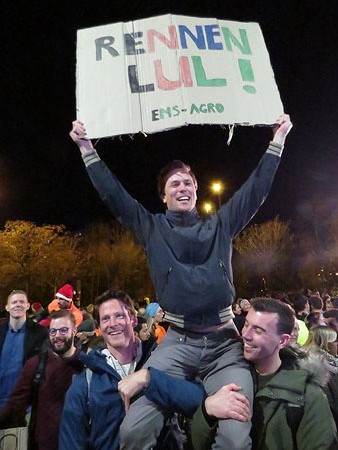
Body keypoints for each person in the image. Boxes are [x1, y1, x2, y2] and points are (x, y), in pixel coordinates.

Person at [70, 113, 292, 449]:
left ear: (196, 189)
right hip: (177, 344)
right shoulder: (151, 229)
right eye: (175, 183)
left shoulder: (220, 225)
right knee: (133, 430)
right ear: (163, 196)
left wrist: (277, 141)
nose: (183, 187)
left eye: (188, 182)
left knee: (233, 439)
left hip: (224, 345)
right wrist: (87, 149)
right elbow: (114, 195)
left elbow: (254, 192)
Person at [59, 289, 205, 450]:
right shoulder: (86, 382)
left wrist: (150, 378)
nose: (113, 323)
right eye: (105, 319)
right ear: (99, 327)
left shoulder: (162, 361)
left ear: (134, 320)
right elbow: (71, 442)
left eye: (119, 316)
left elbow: (199, 400)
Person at [191, 298, 338, 450]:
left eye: (258, 330)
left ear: (282, 341)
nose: (246, 335)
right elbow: (197, 443)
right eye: (246, 324)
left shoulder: (307, 395)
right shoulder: (225, 375)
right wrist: (206, 411)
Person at [0, 310, 82, 450]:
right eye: (53, 331)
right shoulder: (36, 364)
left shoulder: (86, 366)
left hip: (78, 444)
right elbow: (16, 403)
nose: (57, 336)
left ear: (74, 331)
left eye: (63, 330)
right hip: (43, 444)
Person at [0, 290, 48, 408]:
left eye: (22, 301)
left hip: (24, 406)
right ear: (7, 307)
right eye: (14, 302)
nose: (18, 304)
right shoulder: (0, 331)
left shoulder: (40, 333)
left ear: (27, 306)